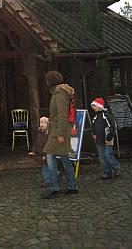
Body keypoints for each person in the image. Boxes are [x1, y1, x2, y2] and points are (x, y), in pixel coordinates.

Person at [41, 70, 78, 199]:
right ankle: (72, 186)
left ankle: (54, 188)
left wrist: (59, 133)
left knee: (50, 157)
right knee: (65, 159)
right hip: (58, 130)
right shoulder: (59, 92)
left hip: (58, 131)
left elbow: (62, 115)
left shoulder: (59, 94)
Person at [91, 97, 120, 179]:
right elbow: (93, 126)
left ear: (99, 106)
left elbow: (112, 127)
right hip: (99, 139)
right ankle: (107, 172)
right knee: (102, 158)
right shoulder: (95, 116)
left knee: (108, 155)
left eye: (94, 106)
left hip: (107, 138)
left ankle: (116, 167)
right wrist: (94, 133)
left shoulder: (106, 115)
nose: (93, 108)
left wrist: (108, 138)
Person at [28, 117, 50, 187]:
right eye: (41, 122)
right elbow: (36, 143)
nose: (42, 124)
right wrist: (33, 151)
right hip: (40, 153)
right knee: (44, 167)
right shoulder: (40, 132)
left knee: (48, 167)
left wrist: (46, 154)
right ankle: (48, 179)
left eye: (44, 123)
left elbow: (49, 144)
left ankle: (49, 180)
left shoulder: (49, 134)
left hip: (46, 153)